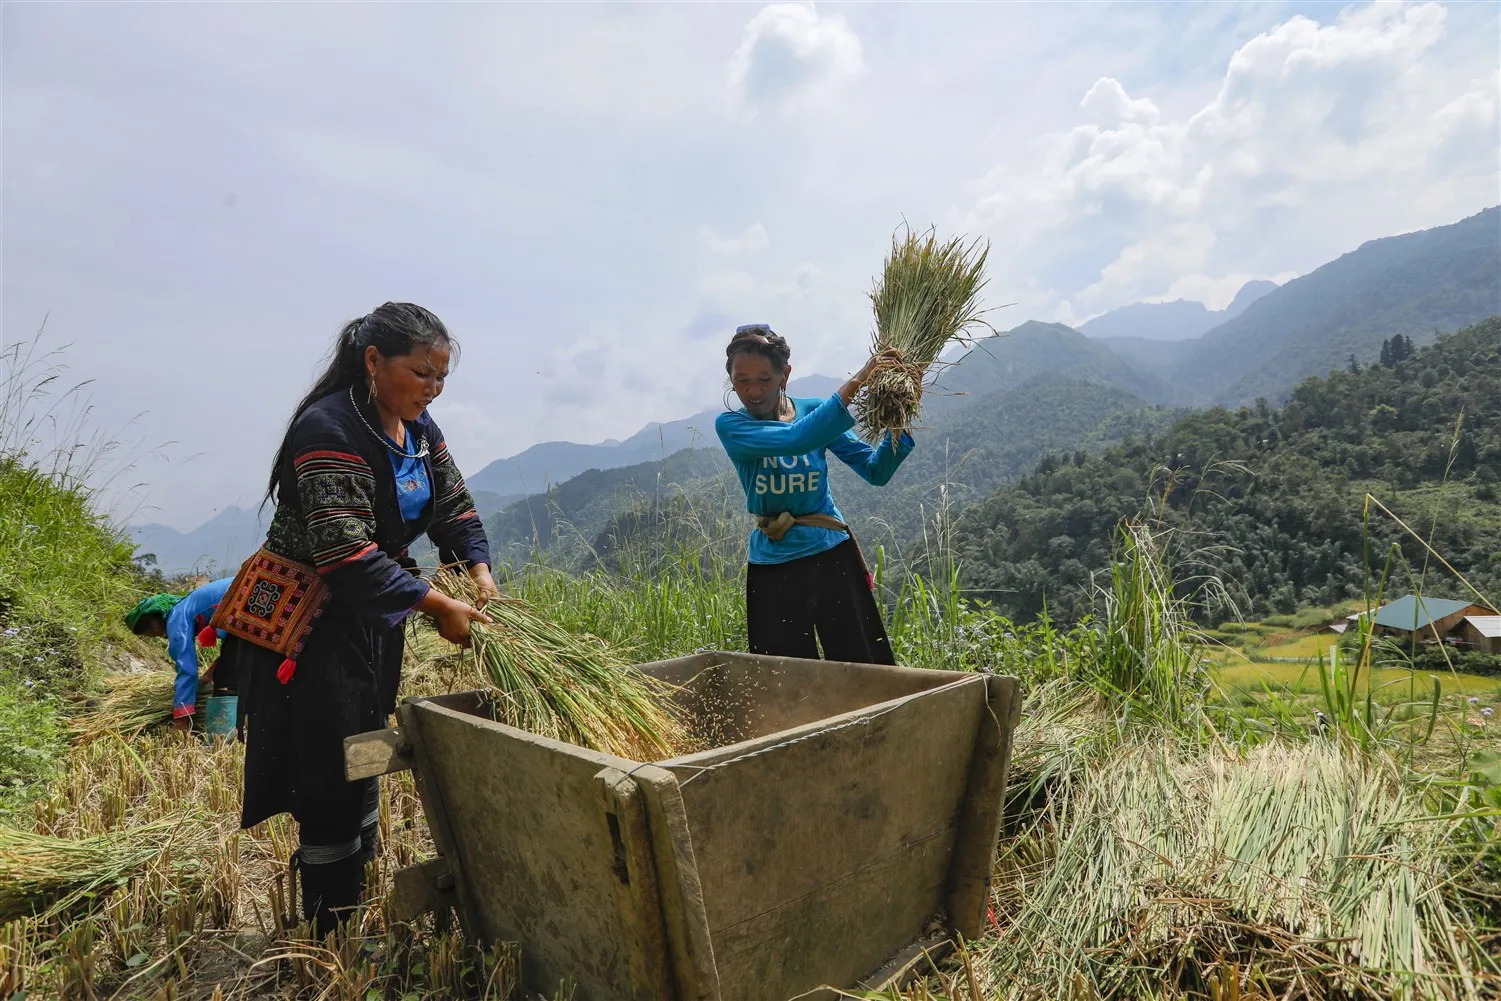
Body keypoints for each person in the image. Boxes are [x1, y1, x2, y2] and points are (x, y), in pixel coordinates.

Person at [221, 301, 496, 937]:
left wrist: (477, 571)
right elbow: (343, 551)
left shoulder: (421, 433)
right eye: (420, 373)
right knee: (328, 762)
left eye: (441, 378)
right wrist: (435, 603)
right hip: (311, 624)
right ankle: (331, 924)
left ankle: (355, 881)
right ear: (373, 361)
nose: (431, 389)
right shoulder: (328, 428)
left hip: (374, 617)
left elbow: (455, 509)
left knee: (365, 745)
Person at [715, 323, 914, 665]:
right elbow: (796, 439)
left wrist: (901, 417)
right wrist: (859, 379)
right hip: (774, 564)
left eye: (764, 378)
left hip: (832, 553)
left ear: (784, 375)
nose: (753, 391)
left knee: (862, 663)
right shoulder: (733, 426)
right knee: (784, 677)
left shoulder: (814, 412)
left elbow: (875, 470)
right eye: (741, 380)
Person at [124, 576, 233, 732]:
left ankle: (220, 736)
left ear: (159, 616)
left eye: (152, 630)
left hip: (244, 598)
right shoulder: (190, 606)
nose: (160, 636)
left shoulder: (176, 617)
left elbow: (187, 670)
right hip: (252, 592)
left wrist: (181, 720)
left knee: (226, 681)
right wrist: (210, 673)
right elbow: (233, 647)